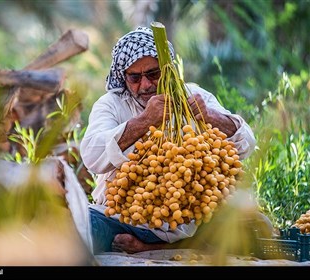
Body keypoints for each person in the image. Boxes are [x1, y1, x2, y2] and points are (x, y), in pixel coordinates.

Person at [80, 26, 271, 255]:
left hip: (190, 221)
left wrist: (210, 117)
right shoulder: (111, 104)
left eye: (153, 74)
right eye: (135, 77)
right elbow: (91, 154)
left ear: (167, 70)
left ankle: (155, 246)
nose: (145, 85)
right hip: (125, 217)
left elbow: (246, 142)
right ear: (123, 76)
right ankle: (159, 245)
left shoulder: (192, 96)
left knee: (256, 228)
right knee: (80, 232)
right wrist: (145, 120)